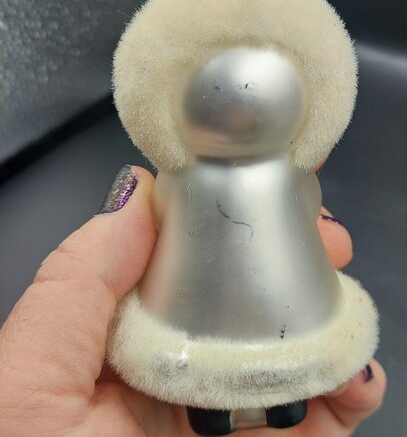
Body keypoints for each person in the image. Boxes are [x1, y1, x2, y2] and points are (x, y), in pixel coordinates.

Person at [0, 166, 386, 435]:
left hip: (267, 307)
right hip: (201, 305)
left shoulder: (273, 177)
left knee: (260, 375)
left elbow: (304, 200)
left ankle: (269, 407)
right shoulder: (185, 178)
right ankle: (235, 411)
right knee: (211, 382)